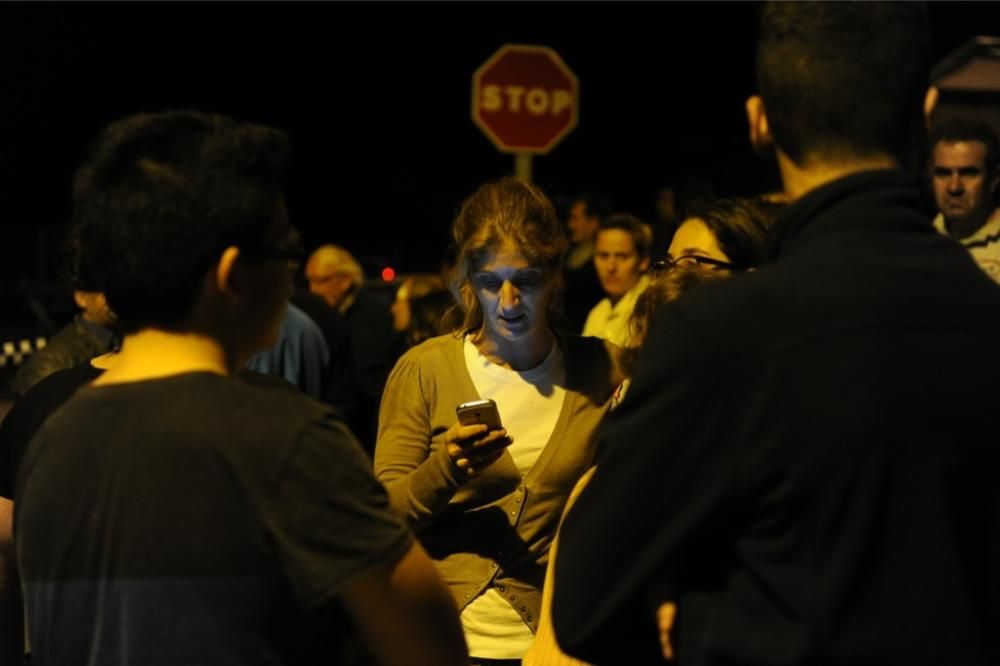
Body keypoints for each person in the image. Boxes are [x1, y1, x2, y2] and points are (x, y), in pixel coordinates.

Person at [553, 3, 1000, 664]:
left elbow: (586, 602)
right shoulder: (985, 315)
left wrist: (701, 614)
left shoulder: (719, 335)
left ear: (760, 122)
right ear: (927, 112)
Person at [13, 110, 467, 665]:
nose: (293, 277)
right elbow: (426, 642)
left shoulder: (52, 434)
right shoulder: (287, 436)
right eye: (286, 252)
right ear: (231, 275)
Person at [374, 176, 621, 665]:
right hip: (445, 639)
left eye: (525, 280)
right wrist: (446, 468)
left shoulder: (603, 369)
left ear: (553, 274)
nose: (508, 302)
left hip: (555, 644)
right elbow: (383, 517)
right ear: (469, 280)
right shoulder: (427, 370)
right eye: (490, 283)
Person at [525, 196, 772, 666]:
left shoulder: (762, 418)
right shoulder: (644, 387)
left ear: (755, 279)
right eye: (667, 264)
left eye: (696, 263)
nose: (674, 276)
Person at [305, 243, 395, 446]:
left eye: (321, 281)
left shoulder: (374, 315)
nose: (313, 290)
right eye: (309, 281)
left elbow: (368, 374)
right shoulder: (324, 316)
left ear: (345, 280)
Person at [929, 117, 1000, 280]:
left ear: (994, 179)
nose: (954, 187)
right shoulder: (918, 242)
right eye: (943, 173)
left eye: (968, 173)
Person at [582, 213, 652, 346]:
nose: (611, 267)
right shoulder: (598, 313)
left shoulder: (652, 309)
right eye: (603, 256)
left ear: (643, 261)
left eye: (622, 256)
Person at [560, 191, 612, 332]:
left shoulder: (599, 264)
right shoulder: (571, 252)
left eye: (575, 218)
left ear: (593, 222)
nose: (570, 225)